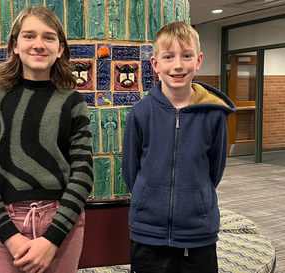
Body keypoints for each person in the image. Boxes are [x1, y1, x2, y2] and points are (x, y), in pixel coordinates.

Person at [0, 6, 93, 273]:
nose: (39, 44)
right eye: (29, 36)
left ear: (60, 49)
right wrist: (11, 238)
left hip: (63, 222)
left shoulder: (74, 102)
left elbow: (82, 174)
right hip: (8, 222)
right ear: (15, 45)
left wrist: (52, 240)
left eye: (49, 37)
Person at [121, 21, 236, 273]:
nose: (177, 65)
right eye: (169, 56)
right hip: (148, 232)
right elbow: (131, 169)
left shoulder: (214, 115)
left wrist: (195, 198)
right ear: (155, 64)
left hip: (197, 233)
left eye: (186, 56)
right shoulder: (140, 113)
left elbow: (215, 170)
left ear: (198, 60)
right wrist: (148, 197)